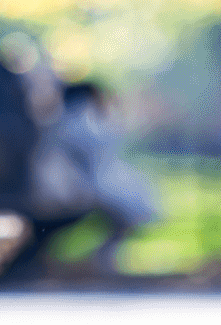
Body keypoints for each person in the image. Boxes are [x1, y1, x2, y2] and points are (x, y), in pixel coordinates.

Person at [30, 80, 160, 273]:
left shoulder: (70, 120)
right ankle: (98, 260)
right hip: (72, 189)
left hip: (81, 186)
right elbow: (99, 149)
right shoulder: (78, 120)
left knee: (133, 207)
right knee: (131, 207)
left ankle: (100, 259)